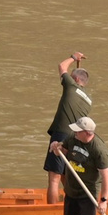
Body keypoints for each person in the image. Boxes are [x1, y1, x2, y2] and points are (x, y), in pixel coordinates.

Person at [50, 116, 108, 215]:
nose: (75, 133)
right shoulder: (72, 138)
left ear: (87, 133)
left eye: (78, 131)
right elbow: (62, 151)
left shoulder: (98, 149)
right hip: (71, 188)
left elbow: (106, 176)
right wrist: (56, 148)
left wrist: (103, 200)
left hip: (88, 191)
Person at [42, 52, 89, 204]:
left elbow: (62, 66)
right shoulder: (89, 100)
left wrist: (73, 57)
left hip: (61, 134)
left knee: (54, 178)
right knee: (64, 177)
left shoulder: (71, 85)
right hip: (75, 139)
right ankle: (75, 203)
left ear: (75, 79)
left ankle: (52, 213)